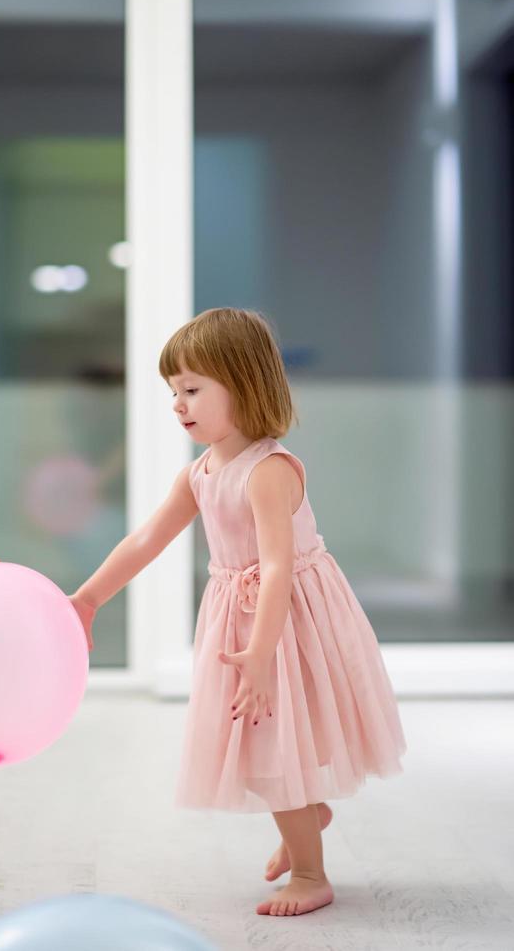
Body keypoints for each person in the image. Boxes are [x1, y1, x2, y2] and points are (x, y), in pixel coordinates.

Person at [68, 307, 407, 918]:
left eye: (193, 389)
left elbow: (277, 565)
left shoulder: (268, 472)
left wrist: (260, 651)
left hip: (286, 621)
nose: (179, 404)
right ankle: (310, 813)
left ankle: (309, 873)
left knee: (276, 749)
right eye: (174, 391)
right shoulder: (200, 473)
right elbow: (147, 538)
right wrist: (88, 598)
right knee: (257, 750)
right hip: (238, 619)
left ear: (244, 384)